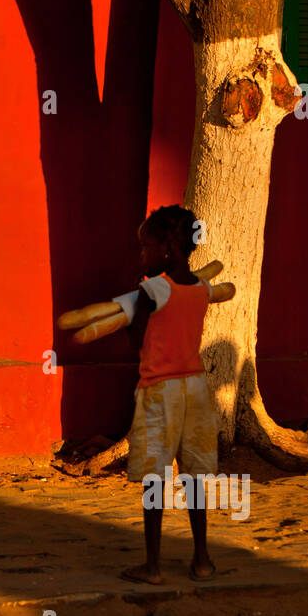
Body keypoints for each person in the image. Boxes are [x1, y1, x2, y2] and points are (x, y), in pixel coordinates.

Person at [121, 205, 216, 583]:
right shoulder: (203, 288)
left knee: (154, 477)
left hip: (160, 389)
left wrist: (131, 307)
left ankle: (153, 565)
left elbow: (134, 340)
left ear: (166, 247)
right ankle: (202, 559)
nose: (141, 254)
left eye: (146, 247)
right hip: (195, 387)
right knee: (194, 476)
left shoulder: (152, 290)